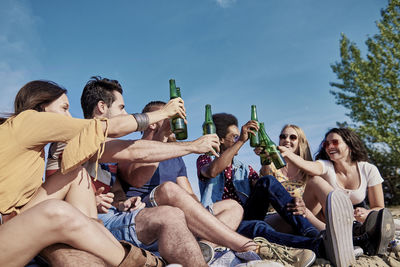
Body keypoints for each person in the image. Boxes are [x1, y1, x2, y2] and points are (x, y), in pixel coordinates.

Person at [79, 77, 318, 267]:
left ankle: (207, 245)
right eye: (122, 108)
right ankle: (253, 246)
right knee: (255, 227)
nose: (127, 115)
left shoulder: (169, 158)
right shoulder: (121, 146)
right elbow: (138, 164)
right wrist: (188, 142)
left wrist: (197, 215)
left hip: (178, 214)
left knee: (233, 207)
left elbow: (187, 197)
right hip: (142, 215)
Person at [0, 80, 184, 267]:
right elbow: (109, 129)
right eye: (64, 108)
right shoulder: (30, 119)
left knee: (76, 175)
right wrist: (163, 113)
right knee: (56, 210)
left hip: (15, 220)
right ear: (42, 107)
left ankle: (101, 247)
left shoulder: (31, 142)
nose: (69, 116)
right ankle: (146, 264)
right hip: (7, 228)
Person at [196, 114, 355, 267]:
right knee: (258, 227)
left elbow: (264, 186)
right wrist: (243, 141)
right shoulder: (205, 159)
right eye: (235, 137)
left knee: (267, 181)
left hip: (247, 215)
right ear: (222, 140)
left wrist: (264, 160)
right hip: (223, 222)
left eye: (240, 136)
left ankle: (313, 234)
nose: (240, 139)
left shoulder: (244, 168)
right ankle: (318, 245)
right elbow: (212, 171)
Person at [279, 127, 395, 256]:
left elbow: (379, 207)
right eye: (326, 144)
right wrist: (289, 155)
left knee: (380, 220)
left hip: (349, 218)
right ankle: (350, 233)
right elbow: (309, 166)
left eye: (335, 142)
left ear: (349, 144)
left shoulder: (368, 169)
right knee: (315, 180)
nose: (329, 147)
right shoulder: (326, 166)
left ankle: (356, 233)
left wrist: (366, 212)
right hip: (318, 218)